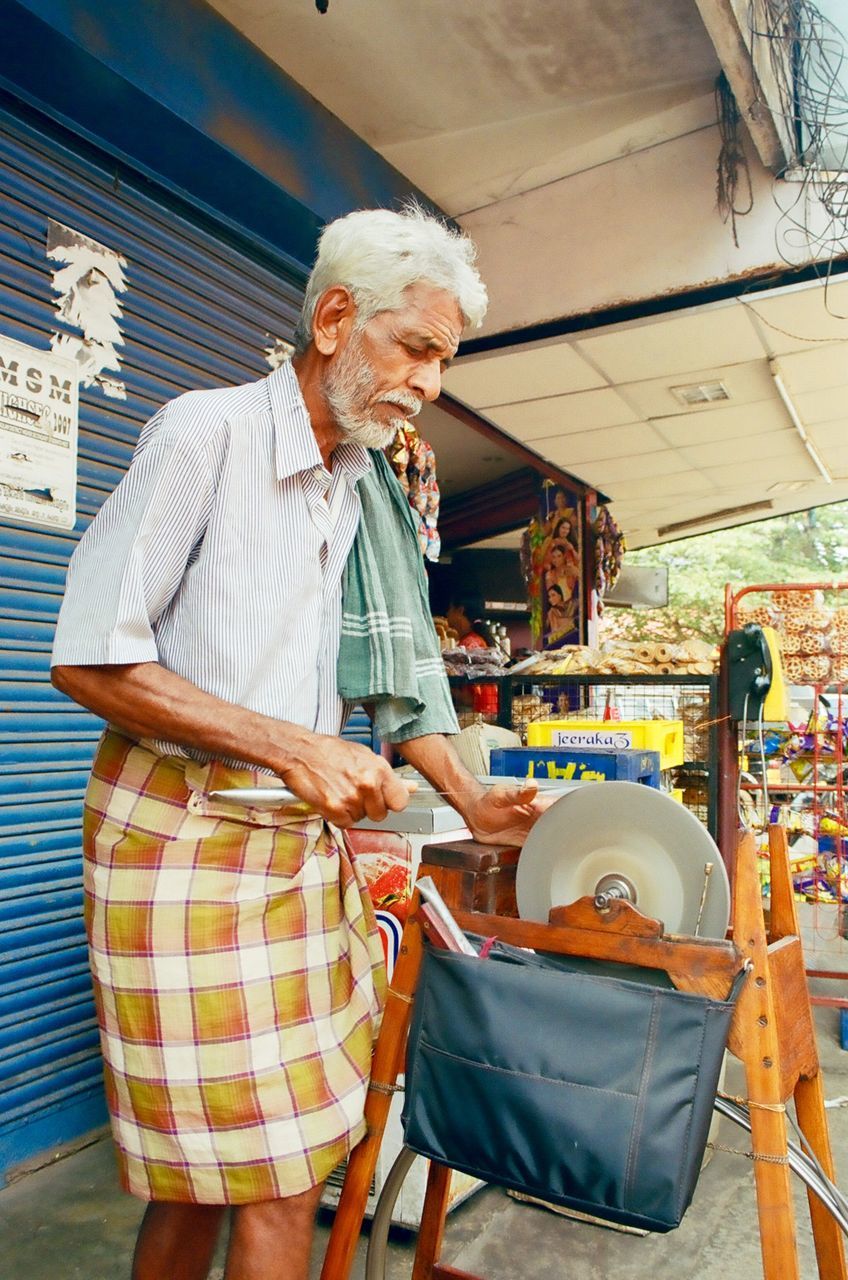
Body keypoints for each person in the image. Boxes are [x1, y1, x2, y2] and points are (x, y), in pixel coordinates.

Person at [50, 204, 547, 1280]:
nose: (425, 383)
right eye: (413, 348)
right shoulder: (206, 434)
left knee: (227, 1172)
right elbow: (89, 656)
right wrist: (286, 743)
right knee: (267, 1178)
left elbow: (398, 664)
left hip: (287, 858)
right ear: (332, 318)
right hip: (174, 850)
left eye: (442, 361)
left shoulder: (357, 481)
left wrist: (470, 795)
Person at [445, 598, 499, 718]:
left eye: (450, 609)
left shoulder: (469, 645)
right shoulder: (474, 641)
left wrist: (443, 686)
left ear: (460, 610)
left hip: (476, 717)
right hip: (486, 713)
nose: (447, 614)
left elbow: (467, 698)